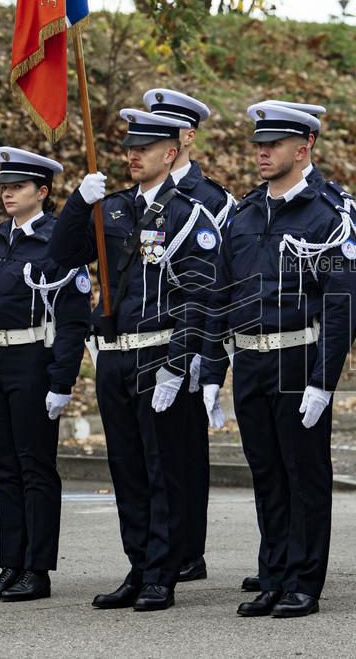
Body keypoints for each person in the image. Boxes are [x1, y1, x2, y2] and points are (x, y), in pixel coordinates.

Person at [49, 109, 220, 610]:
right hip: (115, 357)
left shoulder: (190, 214)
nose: (132, 155)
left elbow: (199, 296)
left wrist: (179, 362)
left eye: (144, 148)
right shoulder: (114, 208)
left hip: (159, 353)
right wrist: (80, 205)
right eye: (129, 147)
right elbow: (61, 254)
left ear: (170, 153)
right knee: (126, 469)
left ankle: (162, 574)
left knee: (162, 469)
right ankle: (139, 564)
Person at [200, 104, 356, 618]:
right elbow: (219, 296)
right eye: (259, 144)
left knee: (304, 474)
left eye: (275, 143)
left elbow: (343, 303)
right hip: (250, 361)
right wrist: (210, 371)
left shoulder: (330, 213)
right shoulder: (245, 214)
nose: (263, 152)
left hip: (298, 360)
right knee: (267, 473)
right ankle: (272, 574)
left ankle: (304, 580)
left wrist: (323, 380)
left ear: (304, 146)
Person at [0, 147, 90, 602]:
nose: (8, 194)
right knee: (2, 469)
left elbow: (73, 318)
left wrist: (61, 381)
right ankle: (10, 562)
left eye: (18, 187)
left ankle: (37, 569)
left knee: (35, 467)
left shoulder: (59, 243)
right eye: (4, 187)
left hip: (32, 359)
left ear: (43, 192)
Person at [143, 88, 235, 583]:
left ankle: (187, 549)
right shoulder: (139, 199)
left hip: (190, 342)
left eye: (165, 130)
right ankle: (158, 548)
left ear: (187, 138)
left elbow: (219, 281)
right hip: (143, 342)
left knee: (183, 450)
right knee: (150, 453)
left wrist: (207, 350)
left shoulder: (213, 201)